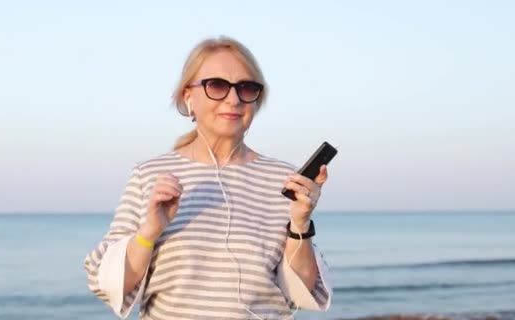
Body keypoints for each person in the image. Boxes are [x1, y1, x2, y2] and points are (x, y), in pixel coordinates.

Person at [84, 35, 333, 320]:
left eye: (246, 88)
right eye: (217, 85)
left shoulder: (284, 179)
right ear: (188, 97)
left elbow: (301, 290)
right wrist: (148, 233)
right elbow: (107, 284)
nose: (234, 99)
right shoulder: (150, 175)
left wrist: (300, 223)